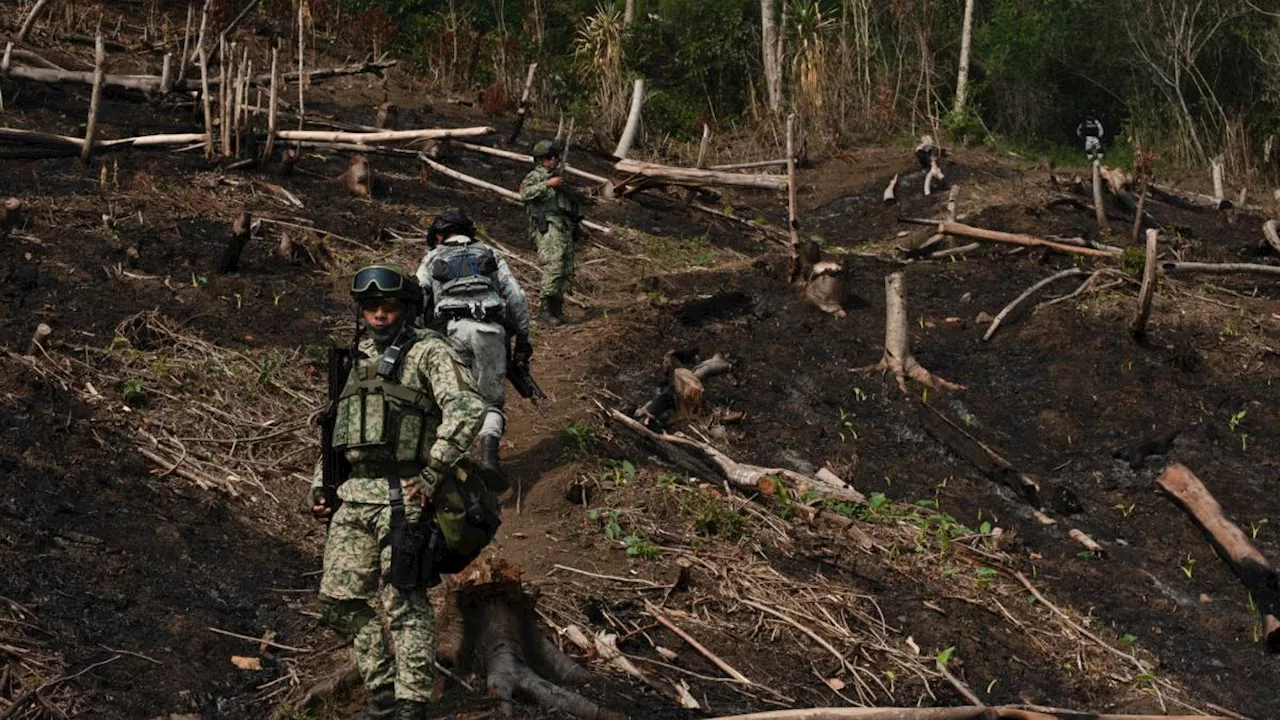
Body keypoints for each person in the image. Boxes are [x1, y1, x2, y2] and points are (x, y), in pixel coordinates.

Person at [310, 263, 486, 720]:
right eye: (370, 307)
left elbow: (467, 408)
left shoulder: (427, 352)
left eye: (388, 306)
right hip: (353, 497)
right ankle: (383, 691)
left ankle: (410, 704)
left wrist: (433, 471)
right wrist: (321, 485)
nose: (379, 314)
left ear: (406, 309)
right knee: (337, 601)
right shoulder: (355, 360)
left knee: (403, 600)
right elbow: (340, 432)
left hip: (403, 495)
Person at [415, 209, 531, 488]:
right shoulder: (490, 253)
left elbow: (418, 297)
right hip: (489, 331)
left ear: (440, 235)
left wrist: (420, 338)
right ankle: (489, 457)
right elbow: (516, 296)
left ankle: (459, 467)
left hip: (450, 334)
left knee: (456, 400)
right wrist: (524, 338)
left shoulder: (432, 258)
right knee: (491, 401)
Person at [519, 139, 581, 326]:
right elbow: (524, 194)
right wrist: (547, 184)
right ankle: (545, 310)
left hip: (563, 226)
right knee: (553, 265)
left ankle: (557, 308)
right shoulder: (536, 177)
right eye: (548, 157)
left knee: (566, 267)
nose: (553, 160)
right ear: (539, 159)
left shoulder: (558, 178)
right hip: (547, 226)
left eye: (556, 157)